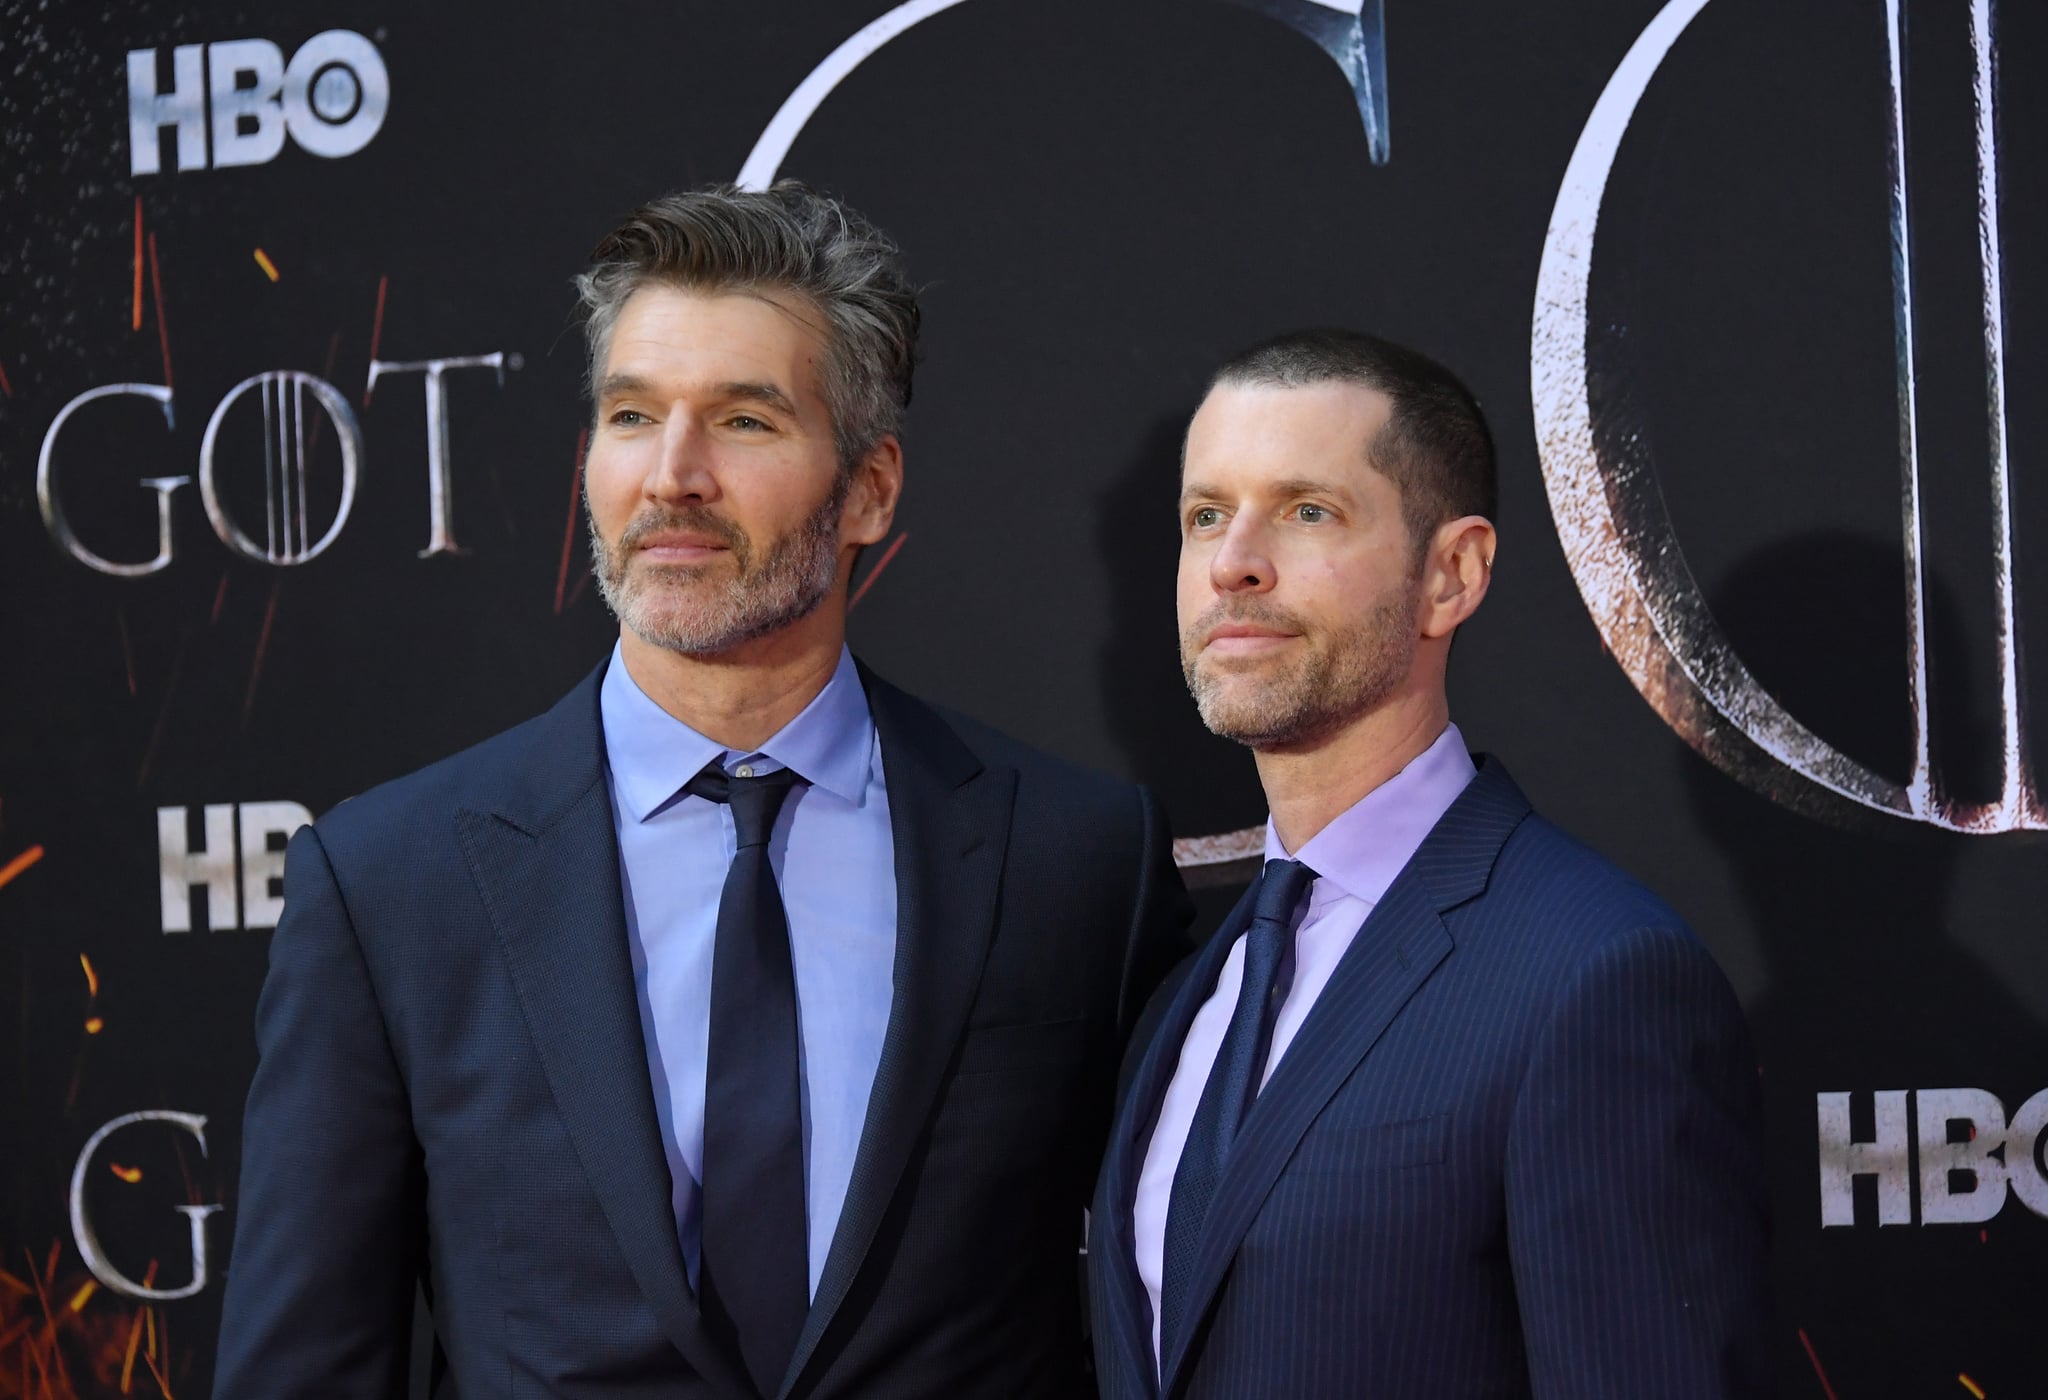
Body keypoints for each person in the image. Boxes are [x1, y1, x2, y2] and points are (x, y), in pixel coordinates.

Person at [214, 181, 1190, 1399]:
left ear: (871, 487)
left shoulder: (1077, 857)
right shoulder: (392, 881)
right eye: (631, 415)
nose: (671, 476)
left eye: (742, 420)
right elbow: (304, 1366)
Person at [1088, 329, 1770, 1398]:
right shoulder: (1190, 991)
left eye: (1306, 509)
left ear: (1450, 573)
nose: (1233, 560)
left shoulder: (1593, 979)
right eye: (1204, 514)